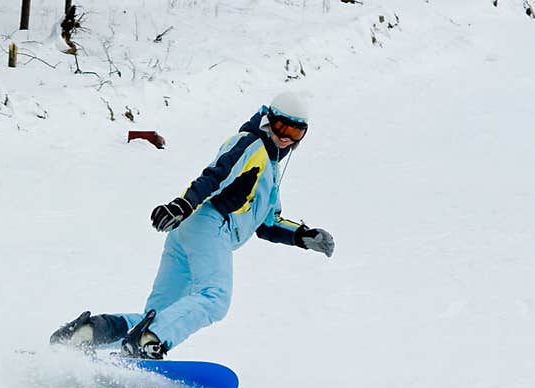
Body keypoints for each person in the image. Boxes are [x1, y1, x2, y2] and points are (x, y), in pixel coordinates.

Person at [50, 91, 335, 359]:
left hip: (191, 232)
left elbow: (267, 223)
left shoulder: (271, 170)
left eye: (295, 132)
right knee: (216, 297)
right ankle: (147, 342)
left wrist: (302, 236)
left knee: (160, 314)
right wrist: (181, 206)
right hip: (209, 225)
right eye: (282, 127)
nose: (285, 137)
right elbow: (215, 176)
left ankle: (90, 334)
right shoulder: (251, 144)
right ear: (269, 119)